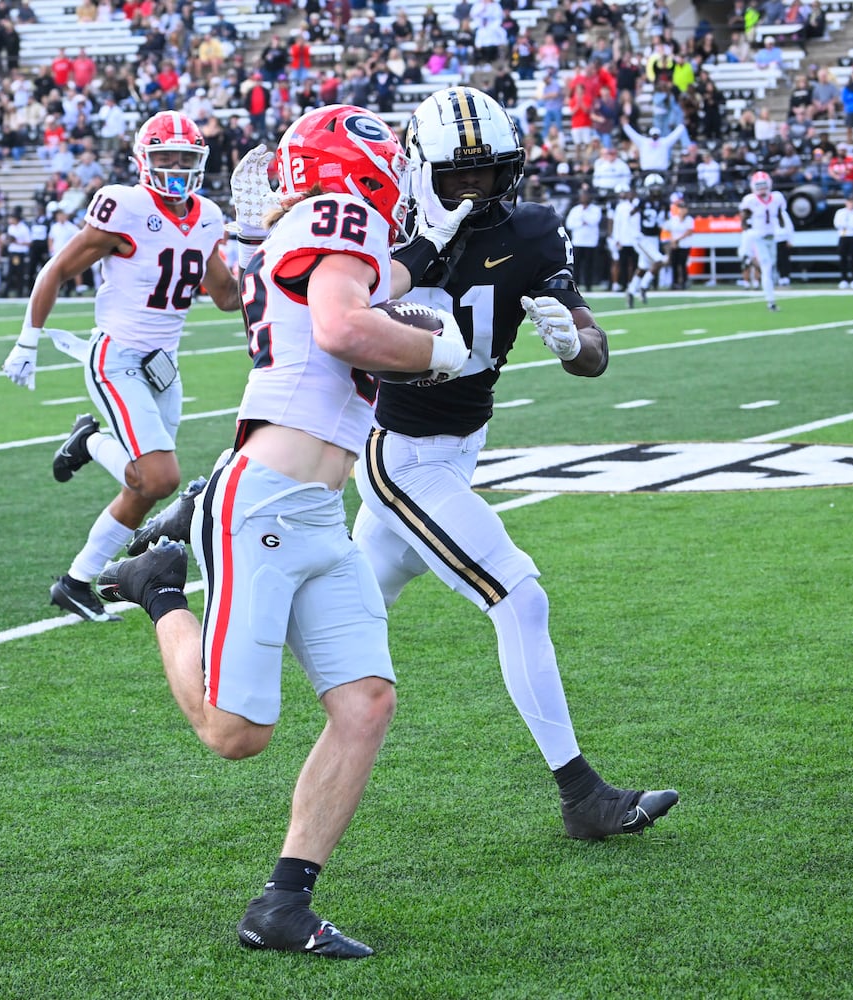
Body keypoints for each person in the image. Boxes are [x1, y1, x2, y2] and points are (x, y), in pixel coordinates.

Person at [90, 103, 471, 958]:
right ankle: (156, 589)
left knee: (366, 702)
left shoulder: (330, 228)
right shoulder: (343, 213)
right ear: (357, 162)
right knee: (237, 735)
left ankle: (282, 906)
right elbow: (343, 326)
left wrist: (432, 265)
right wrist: (444, 347)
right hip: (265, 501)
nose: (409, 176)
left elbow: (373, 289)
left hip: (315, 509)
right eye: (397, 160)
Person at [358, 86, 678, 842]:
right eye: (456, 176)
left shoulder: (531, 232)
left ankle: (171, 601)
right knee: (519, 596)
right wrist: (418, 244)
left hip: (460, 451)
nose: (474, 190)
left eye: (489, 174)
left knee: (337, 614)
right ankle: (582, 796)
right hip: (405, 456)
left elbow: (595, 355)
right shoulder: (380, 228)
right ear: (416, 169)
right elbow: (346, 310)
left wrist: (574, 341)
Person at [0, 111, 244, 622]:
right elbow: (58, 269)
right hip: (117, 356)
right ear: (143, 160)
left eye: (185, 158)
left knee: (143, 487)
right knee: (159, 478)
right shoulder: (125, 206)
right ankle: (89, 440)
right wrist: (28, 340)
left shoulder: (206, 215)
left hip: (164, 363)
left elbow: (224, 296)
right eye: (165, 157)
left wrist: (255, 257)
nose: (175, 167)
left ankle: (75, 581)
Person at [739, 171, 792, 311]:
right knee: (767, 267)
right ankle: (771, 301)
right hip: (758, 238)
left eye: (764, 185)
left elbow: (781, 216)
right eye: (759, 185)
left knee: (772, 266)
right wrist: (748, 237)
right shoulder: (750, 200)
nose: (762, 188)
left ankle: (752, 261)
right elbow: (743, 222)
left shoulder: (777, 198)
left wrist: (785, 234)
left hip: (772, 237)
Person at [624, 172, 669, 307]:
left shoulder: (664, 203)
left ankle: (631, 291)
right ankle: (643, 287)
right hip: (643, 237)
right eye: (654, 187)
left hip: (655, 237)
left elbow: (663, 221)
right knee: (659, 260)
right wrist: (634, 232)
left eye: (658, 186)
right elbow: (630, 216)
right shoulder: (642, 201)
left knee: (643, 267)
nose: (656, 189)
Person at [833, 196, 853, 289]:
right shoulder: (840, 212)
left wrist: (845, 225)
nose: (851, 204)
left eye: (852, 202)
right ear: (846, 202)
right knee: (843, 259)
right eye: (849, 202)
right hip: (843, 237)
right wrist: (847, 225)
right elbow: (837, 224)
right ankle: (844, 279)